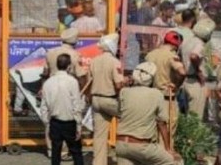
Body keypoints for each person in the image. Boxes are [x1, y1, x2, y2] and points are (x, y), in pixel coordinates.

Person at [116, 62, 181, 165]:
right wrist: (168, 149)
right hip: (142, 146)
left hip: (121, 145)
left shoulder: (124, 92)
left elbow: (119, 113)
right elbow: (162, 123)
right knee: (173, 161)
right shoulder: (156, 94)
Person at [38, 28, 88, 158]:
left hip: (51, 85)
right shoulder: (74, 55)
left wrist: (42, 88)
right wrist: (84, 92)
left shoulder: (51, 52)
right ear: (75, 40)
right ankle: (64, 151)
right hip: (68, 86)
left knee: (51, 117)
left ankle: (51, 149)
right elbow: (81, 75)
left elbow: (45, 72)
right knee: (66, 117)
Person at [40, 53, 85, 165]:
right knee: (76, 152)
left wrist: (47, 123)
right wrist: (79, 125)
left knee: (55, 153)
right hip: (70, 122)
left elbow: (44, 106)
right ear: (69, 66)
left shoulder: (48, 83)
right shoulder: (72, 82)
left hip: (54, 122)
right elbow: (76, 105)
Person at [89, 33, 126, 165]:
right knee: (129, 120)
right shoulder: (115, 62)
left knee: (99, 136)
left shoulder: (94, 61)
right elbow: (118, 84)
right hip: (110, 100)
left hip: (96, 100)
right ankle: (126, 159)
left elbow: (89, 81)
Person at [145, 31, 186, 147]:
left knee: (153, 134)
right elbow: (182, 72)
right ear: (176, 45)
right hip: (166, 99)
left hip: (151, 98)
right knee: (166, 135)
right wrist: (176, 85)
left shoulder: (150, 54)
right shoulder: (171, 56)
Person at [180, 17, 216, 118]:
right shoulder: (200, 44)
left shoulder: (187, 41)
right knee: (195, 120)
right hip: (196, 83)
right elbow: (193, 56)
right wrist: (199, 72)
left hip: (186, 82)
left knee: (188, 116)